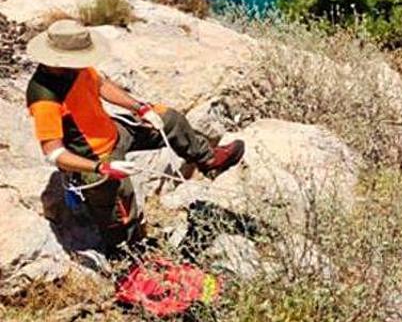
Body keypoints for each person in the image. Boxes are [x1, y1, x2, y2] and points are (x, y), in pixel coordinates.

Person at [25, 19, 245, 252]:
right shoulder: (44, 96)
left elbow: (101, 85)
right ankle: (127, 254)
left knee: (170, 120)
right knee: (120, 204)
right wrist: (102, 169)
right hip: (95, 157)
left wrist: (140, 108)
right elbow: (55, 153)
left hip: (115, 130)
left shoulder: (76, 68)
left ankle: (208, 160)